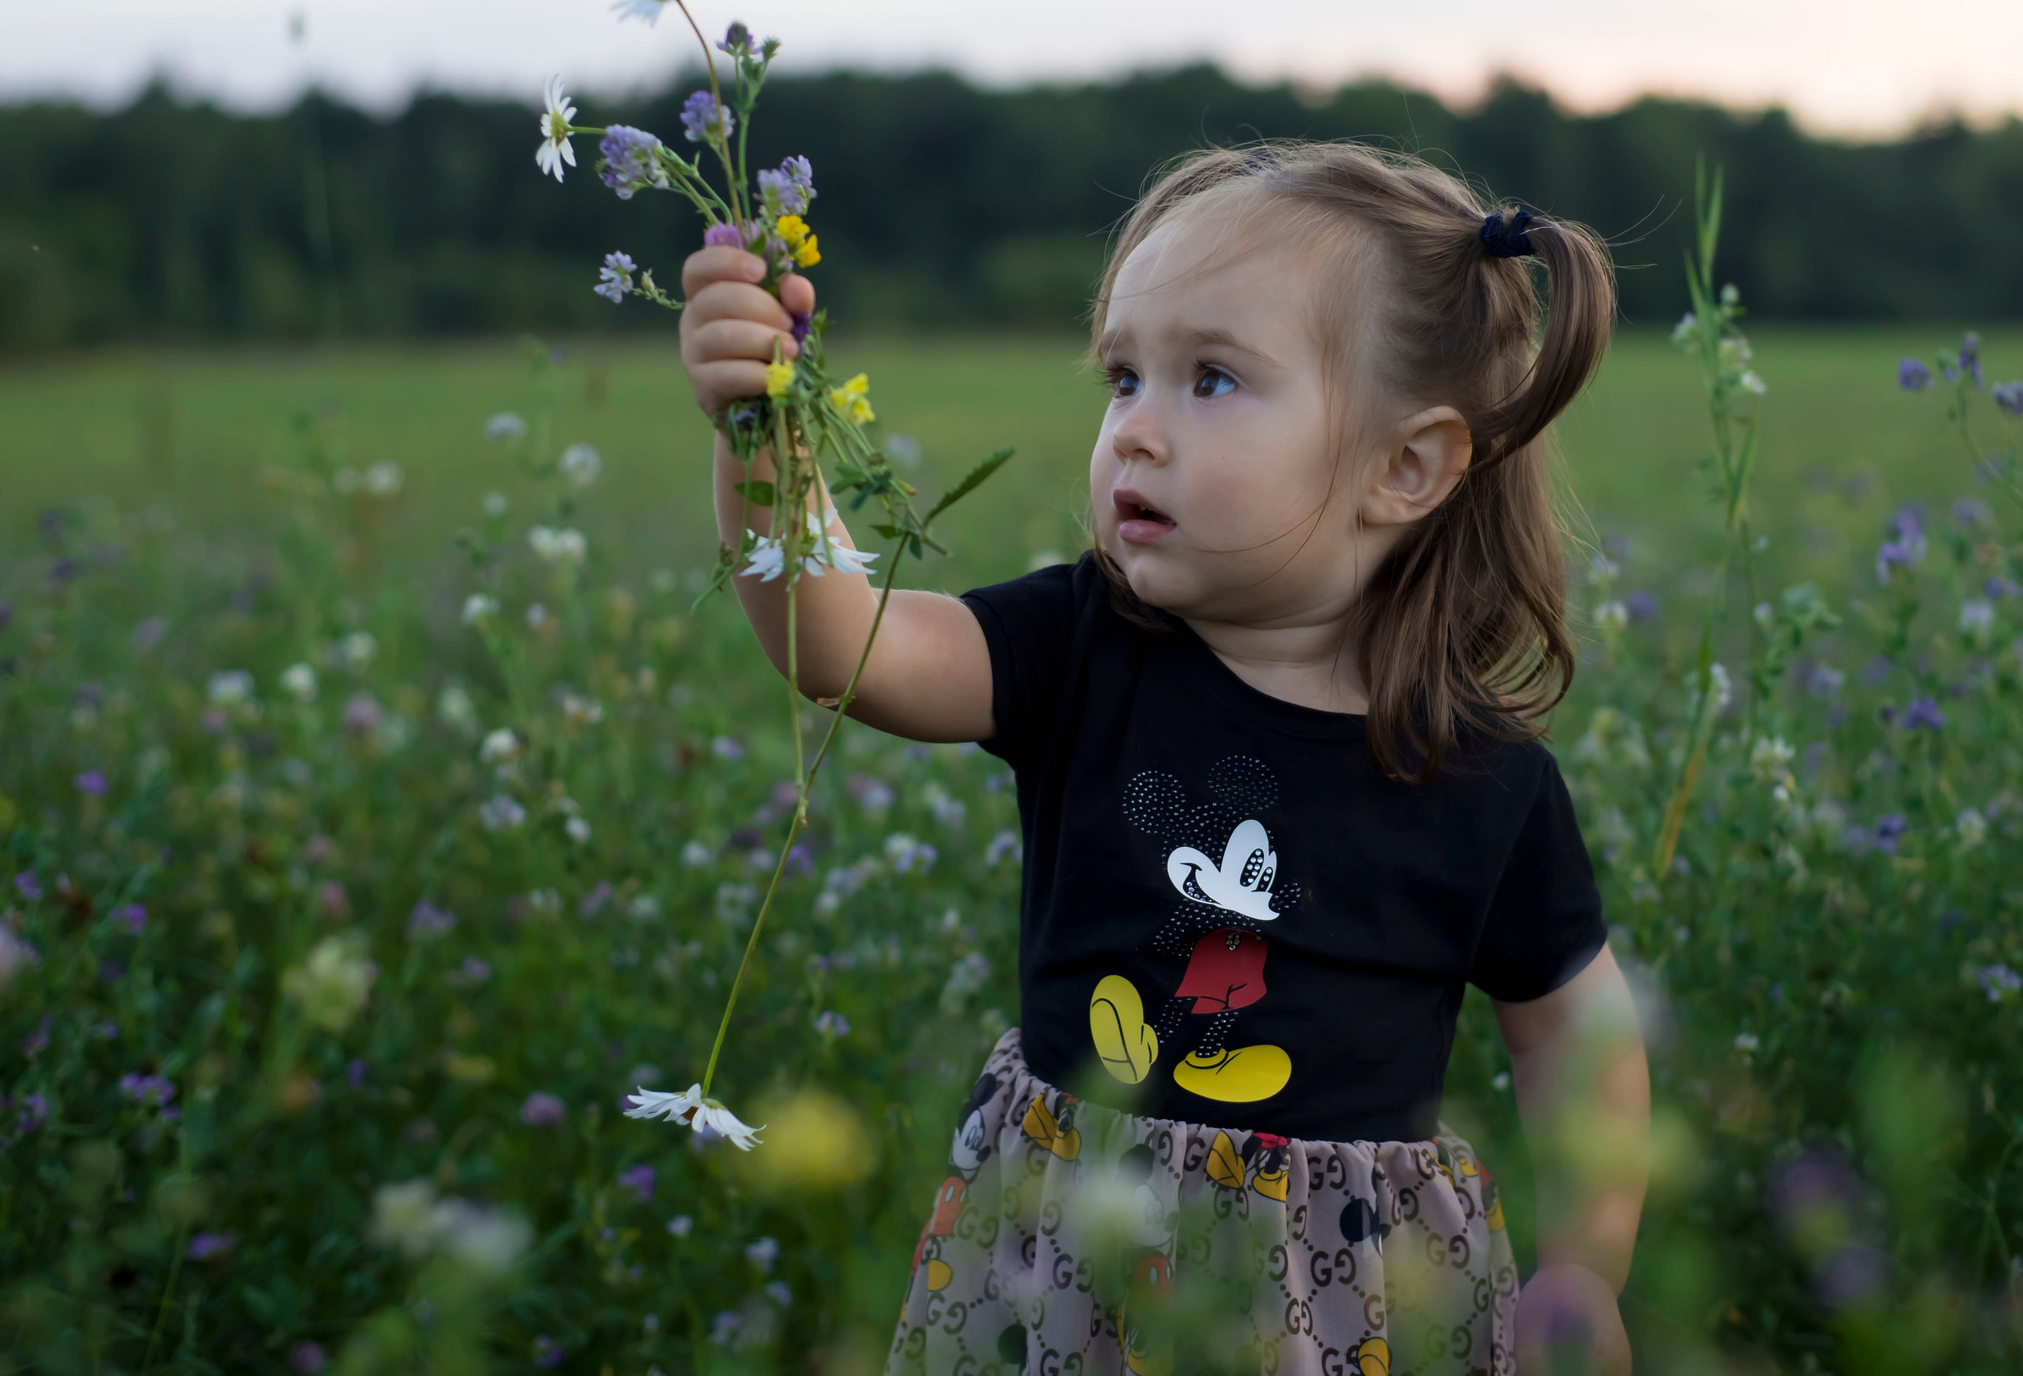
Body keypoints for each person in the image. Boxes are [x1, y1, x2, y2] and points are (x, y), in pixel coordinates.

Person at [677, 142, 1651, 1375]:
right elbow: (841, 645)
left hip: (1338, 1299)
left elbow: (1572, 1032)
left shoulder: (1478, 773)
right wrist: (762, 432)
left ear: (1405, 466)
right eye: (1123, 375)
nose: (1135, 428)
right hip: (1063, 1260)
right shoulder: (1083, 644)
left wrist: (1584, 1270)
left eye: (1211, 380)